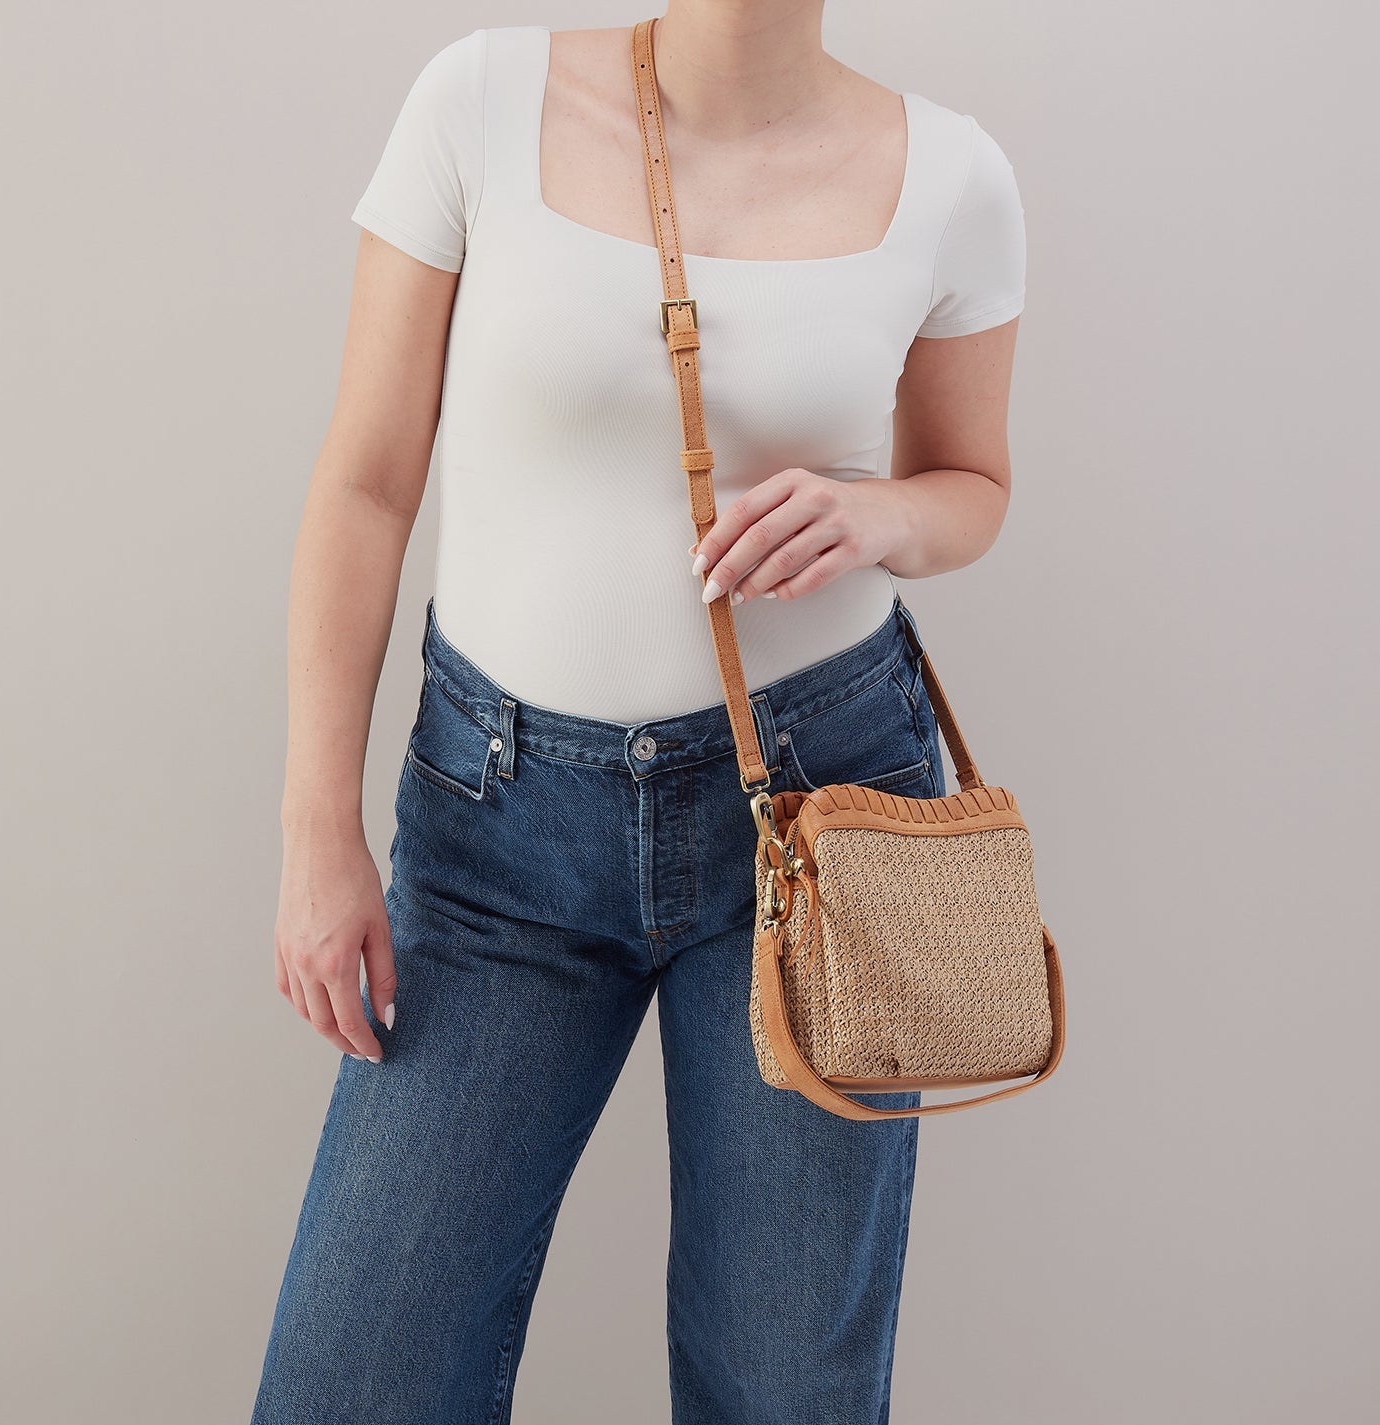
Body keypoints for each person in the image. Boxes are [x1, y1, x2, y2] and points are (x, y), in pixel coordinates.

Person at [251, 8, 1025, 1422]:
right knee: (352, 1382)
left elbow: (970, 483)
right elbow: (365, 480)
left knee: (784, 1387)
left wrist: (875, 511)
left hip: (822, 824)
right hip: (496, 829)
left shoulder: (953, 176)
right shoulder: (476, 100)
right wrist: (318, 826)